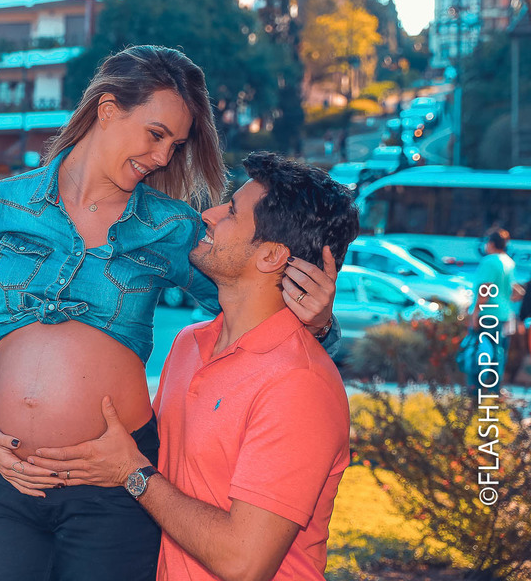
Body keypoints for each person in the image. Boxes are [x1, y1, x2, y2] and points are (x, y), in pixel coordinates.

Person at [0, 46, 340, 581]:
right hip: (9, 481)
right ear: (107, 109)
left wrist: (316, 323)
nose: (163, 157)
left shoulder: (173, 227)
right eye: (155, 134)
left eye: (175, 145)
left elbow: (251, 293)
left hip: (112, 488)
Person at [30, 153, 358, 581]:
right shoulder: (190, 344)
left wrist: (133, 473)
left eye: (233, 211)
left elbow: (244, 562)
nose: (209, 214)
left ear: (271, 256)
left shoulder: (300, 384)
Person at [466, 227, 517, 387]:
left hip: (488, 314)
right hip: (503, 314)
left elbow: (484, 291)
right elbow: (514, 291)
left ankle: (476, 388)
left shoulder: (489, 261)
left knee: (478, 350)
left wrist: (475, 314)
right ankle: (495, 388)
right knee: (498, 352)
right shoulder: (509, 261)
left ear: (491, 243)